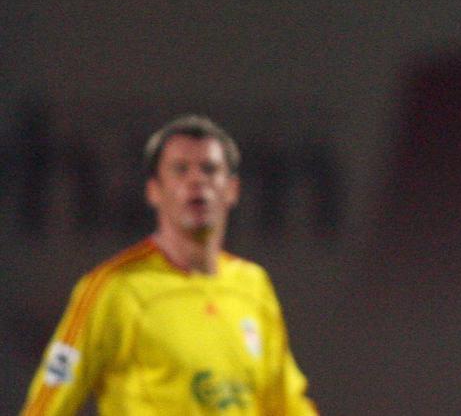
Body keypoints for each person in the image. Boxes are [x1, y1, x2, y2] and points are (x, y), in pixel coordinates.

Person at [21, 115, 317, 416]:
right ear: (154, 191)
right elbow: (48, 400)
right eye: (180, 169)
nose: (196, 180)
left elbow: (286, 403)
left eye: (210, 169)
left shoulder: (253, 285)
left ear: (232, 189)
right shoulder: (114, 288)